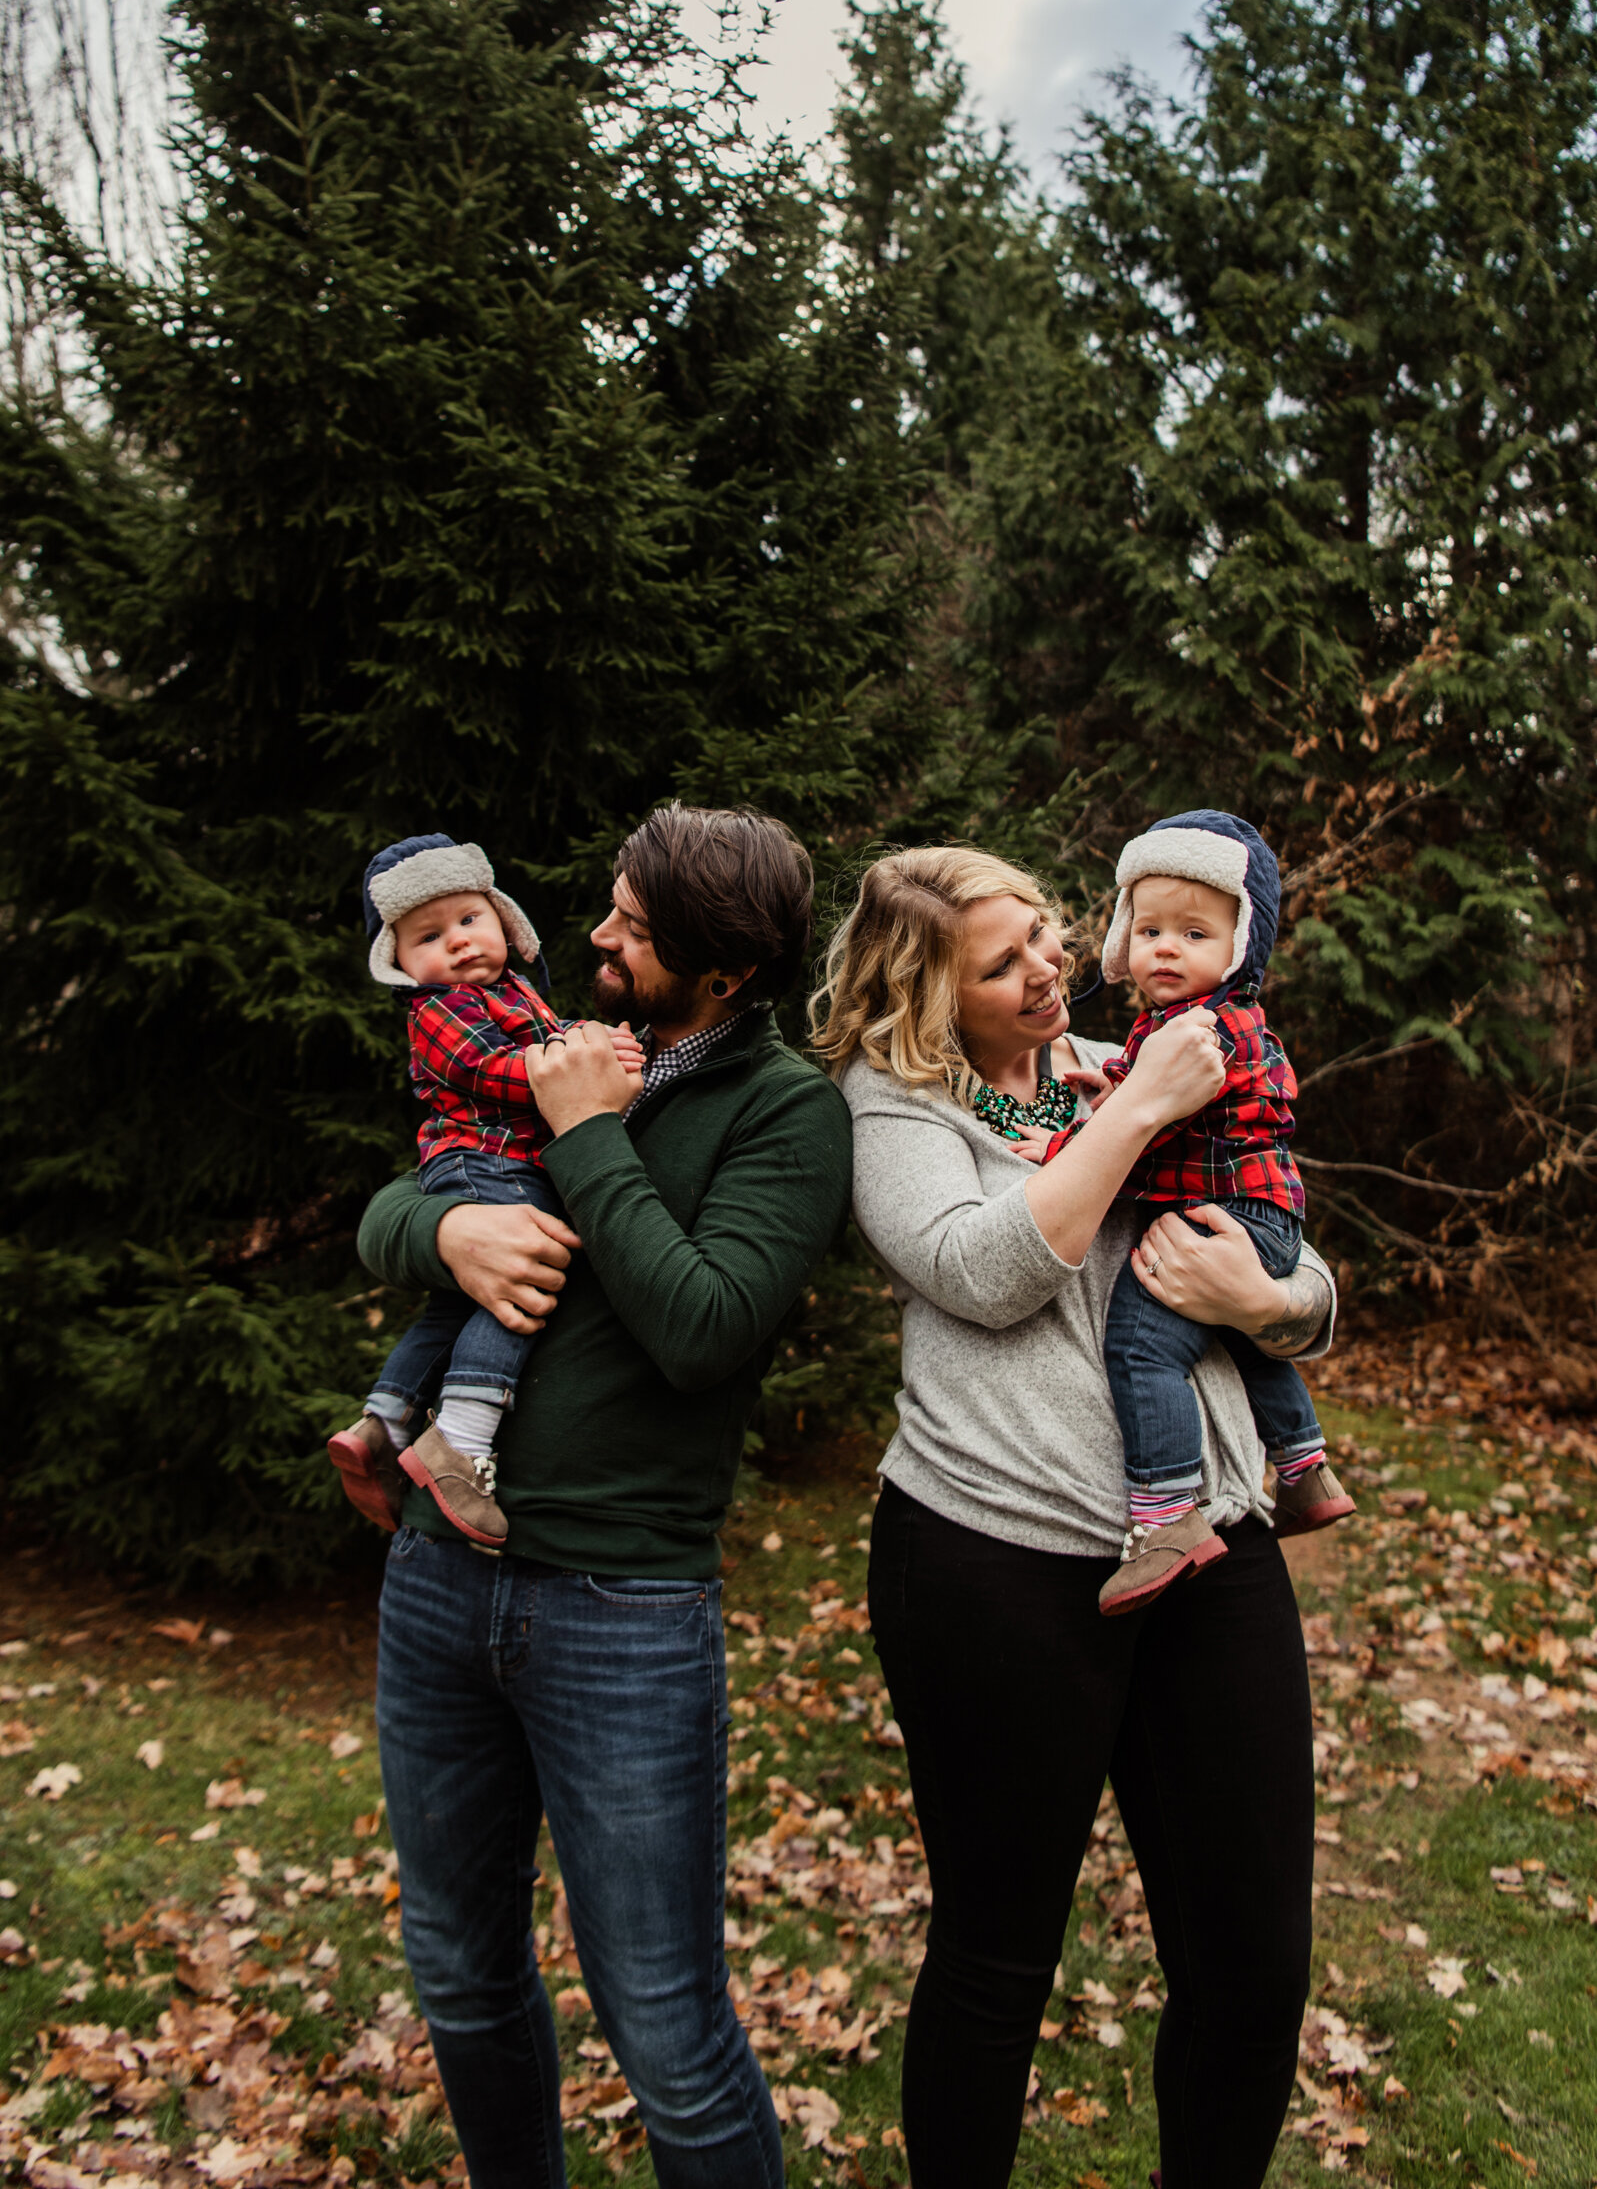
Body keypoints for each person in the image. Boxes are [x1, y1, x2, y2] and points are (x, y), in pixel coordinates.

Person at [809, 844, 1336, 2189]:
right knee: (997, 1959)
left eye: (1046, 935)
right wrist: (1135, 1109)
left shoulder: (1116, 1061)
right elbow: (983, 1273)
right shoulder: (898, 1109)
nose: (1047, 966)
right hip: (993, 1567)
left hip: (1211, 1543)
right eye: (1002, 964)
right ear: (928, 1000)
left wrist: (1275, 1307)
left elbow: (1286, 1244)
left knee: (1255, 1960)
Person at [355, 803, 852, 2189]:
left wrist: (586, 1135)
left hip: (621, 1611)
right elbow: (390, 1212)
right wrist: (446, 1226)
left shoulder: (785, 1111)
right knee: (458, 1971)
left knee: (670, 2040)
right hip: (440, 1578)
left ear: (726, 972)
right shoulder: (562, 1049)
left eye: (631, 928)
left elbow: (703, 1327)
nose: (593, 937)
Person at [1061, 810, 1355, 1615]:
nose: (1164, 947)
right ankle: (1302, 1468)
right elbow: (1149, 1092)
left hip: (1222, 1208)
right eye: (1148, 928)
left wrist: (1063, 1154)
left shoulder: (1202, 1028)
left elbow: (1144, 1137)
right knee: (1232, 1330)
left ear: (1239, 944)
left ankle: (1165, 1517)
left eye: (1194, 933)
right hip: (1262, 1214)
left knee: (1141, 1343)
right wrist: (1114, 1085)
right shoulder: (1182, 1023)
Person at [326, 833, 641, 1550]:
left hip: (502, 1164)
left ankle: (384, 1423)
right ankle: (461, 1444)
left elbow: (556, 1042)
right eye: (430, 937)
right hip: (483, 1165)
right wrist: (572, 1063)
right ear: (401, 964)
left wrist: (593, 1042)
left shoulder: (514, 992)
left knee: (459, 1301)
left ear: (504, 921)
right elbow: (486, 1068)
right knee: (523, 1282)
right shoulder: (437, 1011)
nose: (459, 944)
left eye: (469, 920)